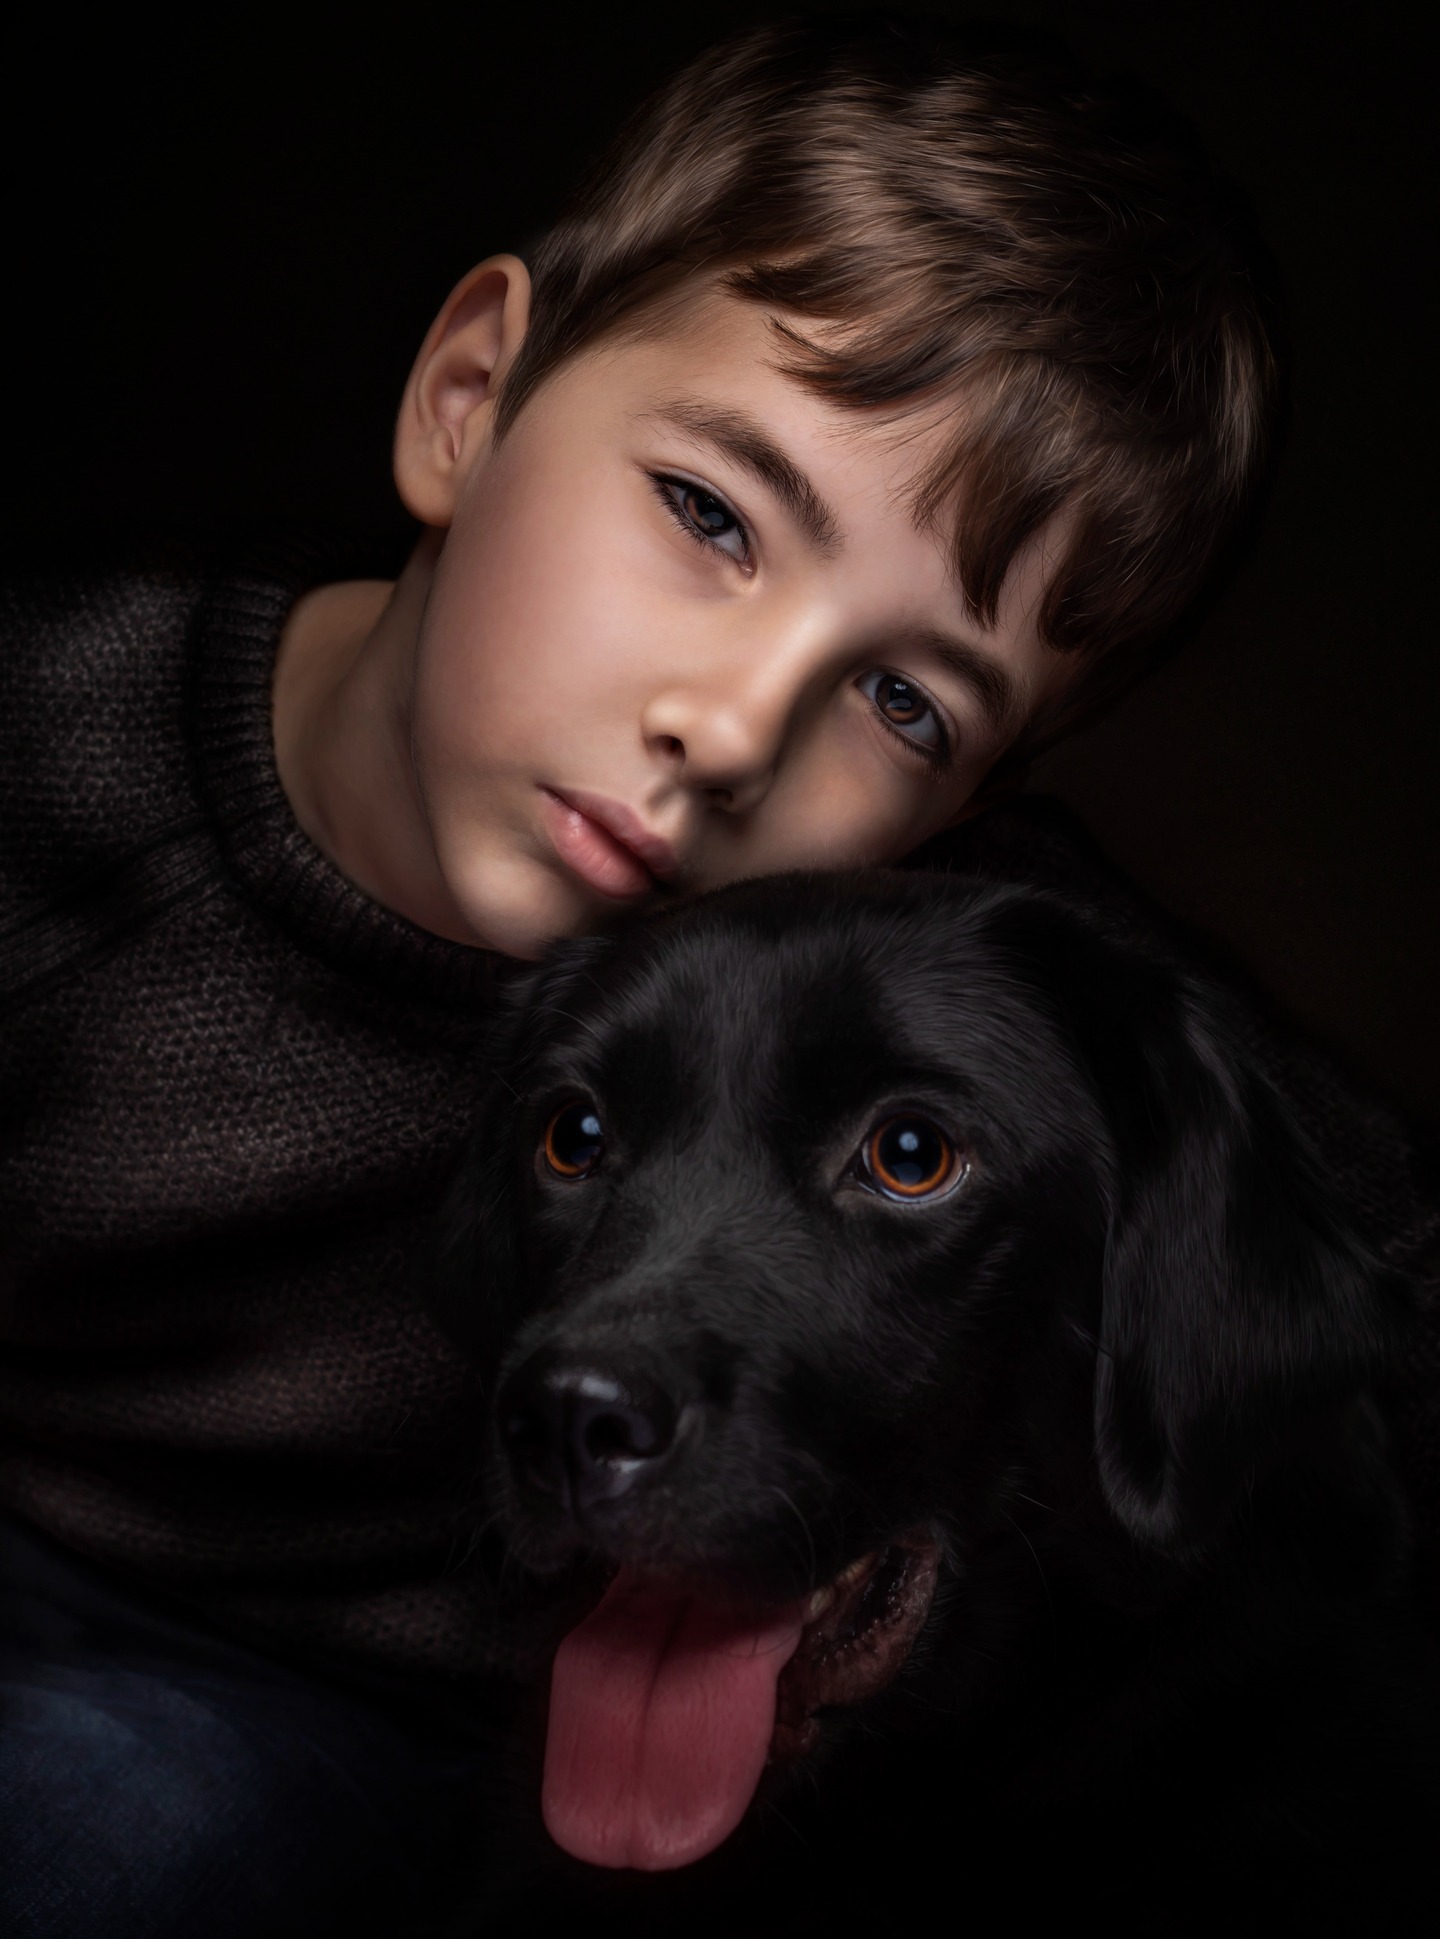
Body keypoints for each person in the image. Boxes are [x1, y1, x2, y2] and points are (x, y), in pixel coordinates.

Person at [9, 13, 1419, 1937]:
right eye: (708, 516)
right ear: (470, 397)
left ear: (976, 803)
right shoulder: (55, 765)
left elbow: (1369, 1253)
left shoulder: (982, 966)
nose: (742, 729)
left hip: (371, 1732)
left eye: (909, 703)